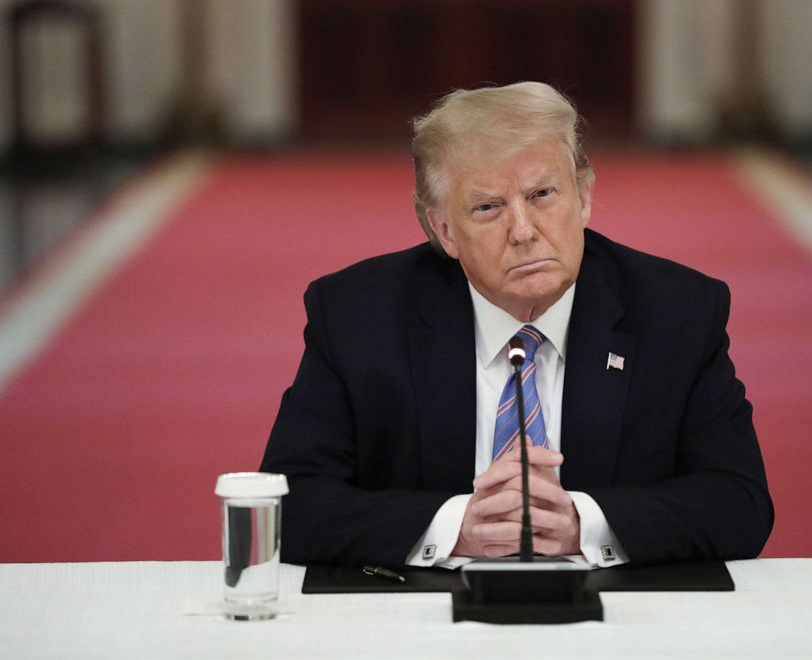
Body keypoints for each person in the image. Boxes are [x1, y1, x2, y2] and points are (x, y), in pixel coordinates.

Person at [260, 82, 773, 568]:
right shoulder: (358, 316)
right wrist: (454, 528)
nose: (523, 231)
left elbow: (739, 502)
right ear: (444, 230)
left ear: (585, 197)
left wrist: (584, 525)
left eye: (543, 194)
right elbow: (287, 502)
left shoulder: (677, 311)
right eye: (487, 208)